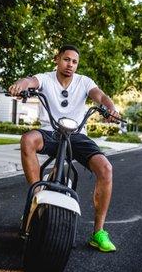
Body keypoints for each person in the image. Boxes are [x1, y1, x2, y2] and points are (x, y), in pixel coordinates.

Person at [9, 45, 120, 252]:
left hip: (77, 136)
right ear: (57, 59)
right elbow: (29, 81)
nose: (70, 65)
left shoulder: (84, 81)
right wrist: (20, 84)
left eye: (74, 62)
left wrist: (110, 108)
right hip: (50, 132)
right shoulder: (45, 78)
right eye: (66, 59)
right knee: (27, 140)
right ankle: (36, 201)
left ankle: (98, 232)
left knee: (106, 169)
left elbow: (101, 96)